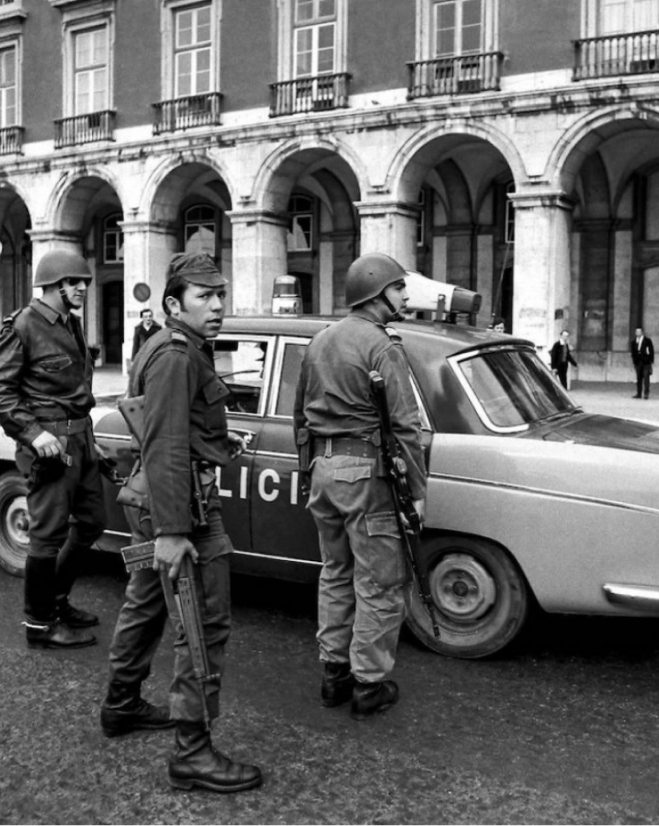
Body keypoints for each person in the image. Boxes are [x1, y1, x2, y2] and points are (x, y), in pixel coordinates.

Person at [108, 251, 261, 793]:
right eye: (204, 296)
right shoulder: (177, 354)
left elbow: (178, 427)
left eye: (220, 294)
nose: (217, 305)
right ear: (175, 304)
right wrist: (175, 532)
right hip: (183, 510)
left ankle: (121, 703)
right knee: (203, 623)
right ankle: (192, 752)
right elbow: (166, 443)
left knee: (147, 602)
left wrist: (218, 442)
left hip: (163, 499)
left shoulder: (177, 346)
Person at [294, 252, 428, 720]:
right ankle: (368, 683)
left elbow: (300, 415)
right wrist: (415, 491)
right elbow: (406, 426)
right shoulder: (382, 346)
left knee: (335, 572)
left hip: (323, 472)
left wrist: (307, 466)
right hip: (363, 472)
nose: (404, 296)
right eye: (398, 288)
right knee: (380, 582)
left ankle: (334, 674)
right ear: (376, 294)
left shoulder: (319, 341)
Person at [0, 250, 105, 649]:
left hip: (80, 439)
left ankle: (57, 600)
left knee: (91, 522)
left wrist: (91, 442)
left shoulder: (71, 324)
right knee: (47, 535)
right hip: (50, 445)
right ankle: (39, 625)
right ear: (52, 286)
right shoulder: (24, 325)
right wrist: (33, 434)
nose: (82, 287)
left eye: (83, 281)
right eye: (73, 282)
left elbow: (75, 390)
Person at [631, 326, 655, 399]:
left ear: (642, 332)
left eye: (639, 332)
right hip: (638, 362)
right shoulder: (634, 341)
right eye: (636, 332)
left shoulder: (647, 341)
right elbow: (633, 352)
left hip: (646, 362)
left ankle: (646, 393)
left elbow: (651, 351)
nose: (637, 333)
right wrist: (634, 361)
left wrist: (651, 361)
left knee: (646, 378)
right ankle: (639, 393)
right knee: (639, 378)